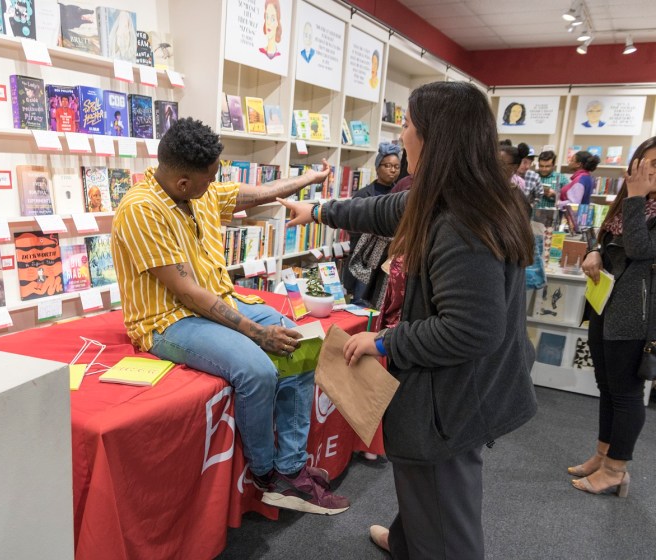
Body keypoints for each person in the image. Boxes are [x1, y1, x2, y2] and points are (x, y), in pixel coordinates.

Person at [280, 81, 537, 558]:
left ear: (435, 137)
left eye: (409, 124)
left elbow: (471, 329)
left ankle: (428, 541)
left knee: (444, 498)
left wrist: (385, 343)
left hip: (453, 397)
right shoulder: (455, 194)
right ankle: (407, 538)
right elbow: (384, 208)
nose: (401, 134)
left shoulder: (461, 221)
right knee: (429, 483)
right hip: (466, 390)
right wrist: (317, 210)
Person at [111, 118, 349, 515]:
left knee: (299, 341)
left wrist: (310, 176)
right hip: (168, 321)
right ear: (184, 182)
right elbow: (186, 292)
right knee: (257, 370)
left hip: (216, 301)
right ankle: (266, 474)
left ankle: (291, 470)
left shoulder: (194, 191)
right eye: (210, 179)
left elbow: (258, 193)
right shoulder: (141, 210)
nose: (214, 186)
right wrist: (257, 334)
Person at [572, 135, 656, 497]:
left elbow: (640, 249)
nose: (648, 172)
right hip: (605, 302)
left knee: (625, 393)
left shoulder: (639, 201)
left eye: (655, 166)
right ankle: (602, 454)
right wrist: (593, 250)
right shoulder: (632, 202)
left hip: (635, 314)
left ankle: (617, 469)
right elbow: (608, 237)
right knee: (607, 386)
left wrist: (636, 196)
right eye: (645, 163)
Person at [341, 141, 401, 308]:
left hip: (389, 261)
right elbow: (351, 225)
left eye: (396, 166)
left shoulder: (400, 194)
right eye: (388, 165)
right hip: (365, 261)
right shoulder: (363, 195)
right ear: (377, 166)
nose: (392, 170)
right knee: (360, 305)